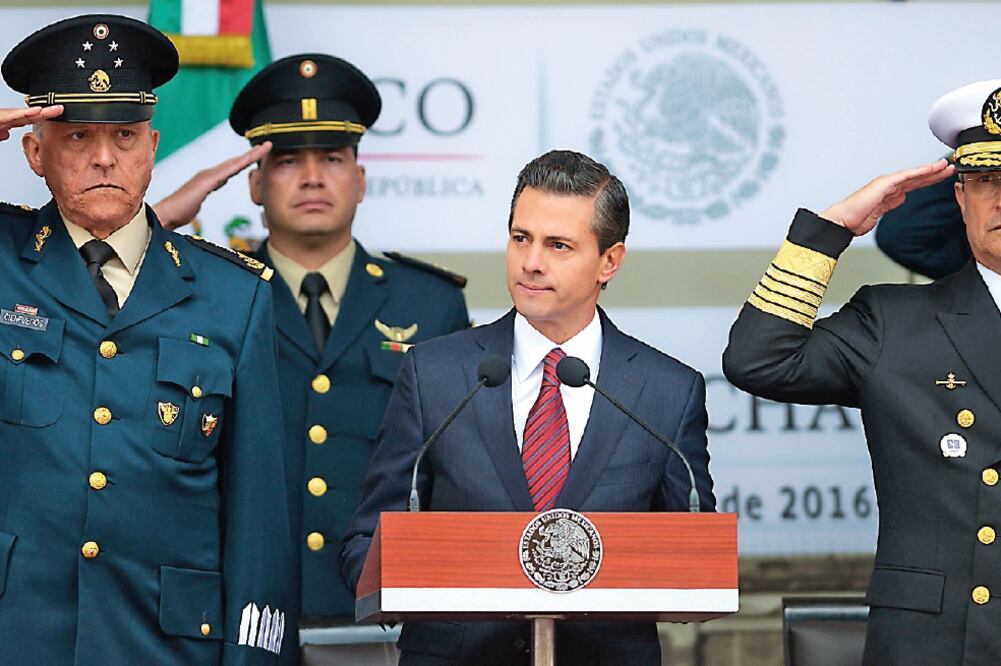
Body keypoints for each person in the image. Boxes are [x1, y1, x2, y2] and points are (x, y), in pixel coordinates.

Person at [341, 150, 715, 665]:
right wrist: (402, 575)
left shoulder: (668, 391)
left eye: (558, 245)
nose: (531, 262)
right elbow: (367, 537)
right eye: (521, 238)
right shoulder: (436, 374)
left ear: (610, 260)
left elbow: (693, 553)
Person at [0, 14, 292, 664]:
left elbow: (258, 517)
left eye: (125, 136)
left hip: (165, 645)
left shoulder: (234, 296)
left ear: (153, 147)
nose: (106, 157)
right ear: (33, 151)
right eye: (78, 135)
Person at [156, 53, 470, 638]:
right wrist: (157, 221)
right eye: (287, 161)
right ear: (254, 183)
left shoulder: (429, 305)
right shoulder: (203, 294)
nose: (312, 177)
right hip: (234, 612)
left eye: (332, 158)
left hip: (387, 613)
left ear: (361, 179)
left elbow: (454, 472)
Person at [722, 79, 1001, 664]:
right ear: (960, 200)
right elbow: (759, 360)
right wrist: (831, 232)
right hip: (937, 643)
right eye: (986, 181)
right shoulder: (894, 320)